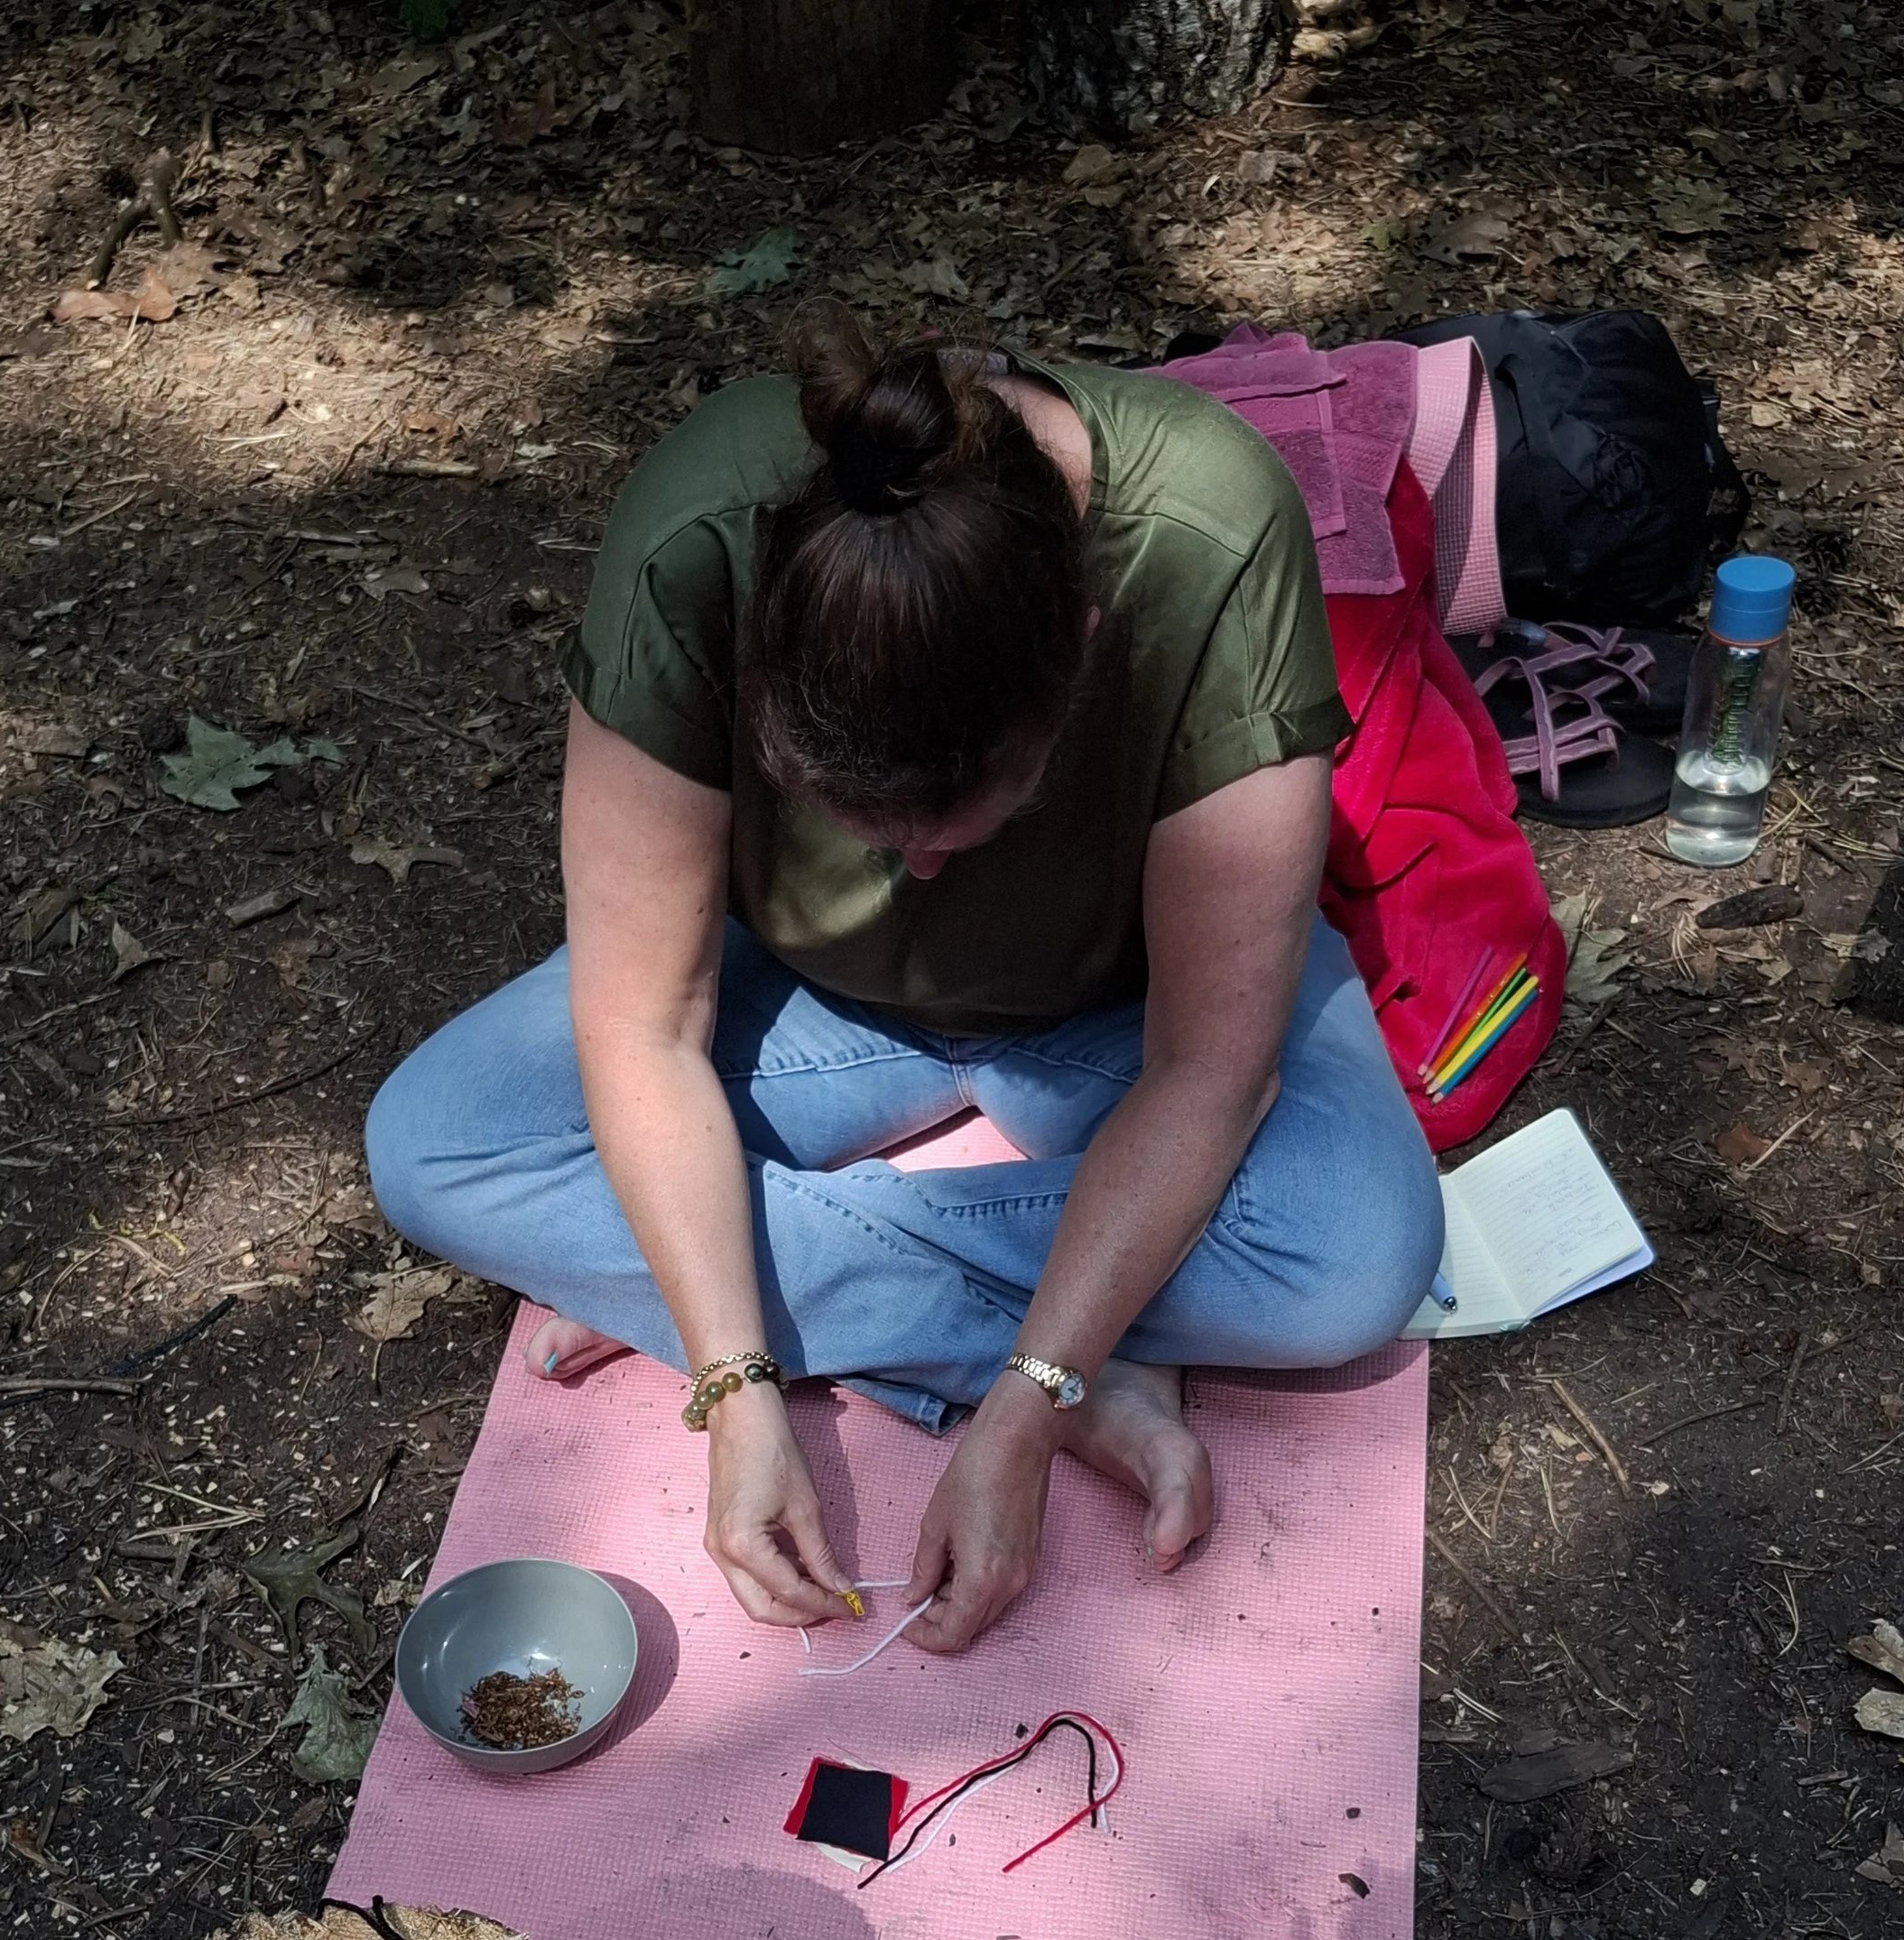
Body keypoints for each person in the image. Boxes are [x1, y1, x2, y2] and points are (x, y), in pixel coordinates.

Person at [366, 309, 1443, 1656]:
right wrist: (739, 1388)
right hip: (809, 1002)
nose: (927, 874)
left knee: (1352, 1256)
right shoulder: (698, 538)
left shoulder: (1213, 534)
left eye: (970, 823)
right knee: (438, 1144)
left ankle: (793, 1271)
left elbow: (1211, 1068)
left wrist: (1019, 1415)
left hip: (1126, 1014)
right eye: (876, 832)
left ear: (1085, 643)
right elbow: (645, 1026)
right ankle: (1084, 1347)